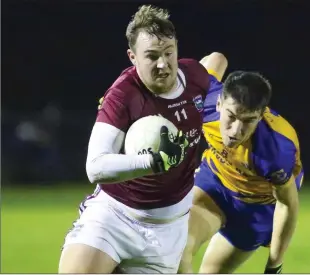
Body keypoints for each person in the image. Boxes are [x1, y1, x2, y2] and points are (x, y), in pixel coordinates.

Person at [58, 4, 227, 274]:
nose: (162, 64)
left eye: (168, 53)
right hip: (114, 216)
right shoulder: (123, 95)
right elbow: (95, 167)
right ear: (132, 57)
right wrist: (153, 162)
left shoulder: (194, 77)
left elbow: (216, 61)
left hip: (167, 230)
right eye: (151, 56)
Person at [178, 69, 303, 274]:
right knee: (178, 250)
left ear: (261, 116)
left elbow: (287, 203)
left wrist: (275, 265)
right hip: (214, 183)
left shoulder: (274, 150)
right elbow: (214, 60)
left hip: (256, 208)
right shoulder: (204, 100)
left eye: (248, 120)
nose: (236, 131)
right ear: (219, 103)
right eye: (232, 116)